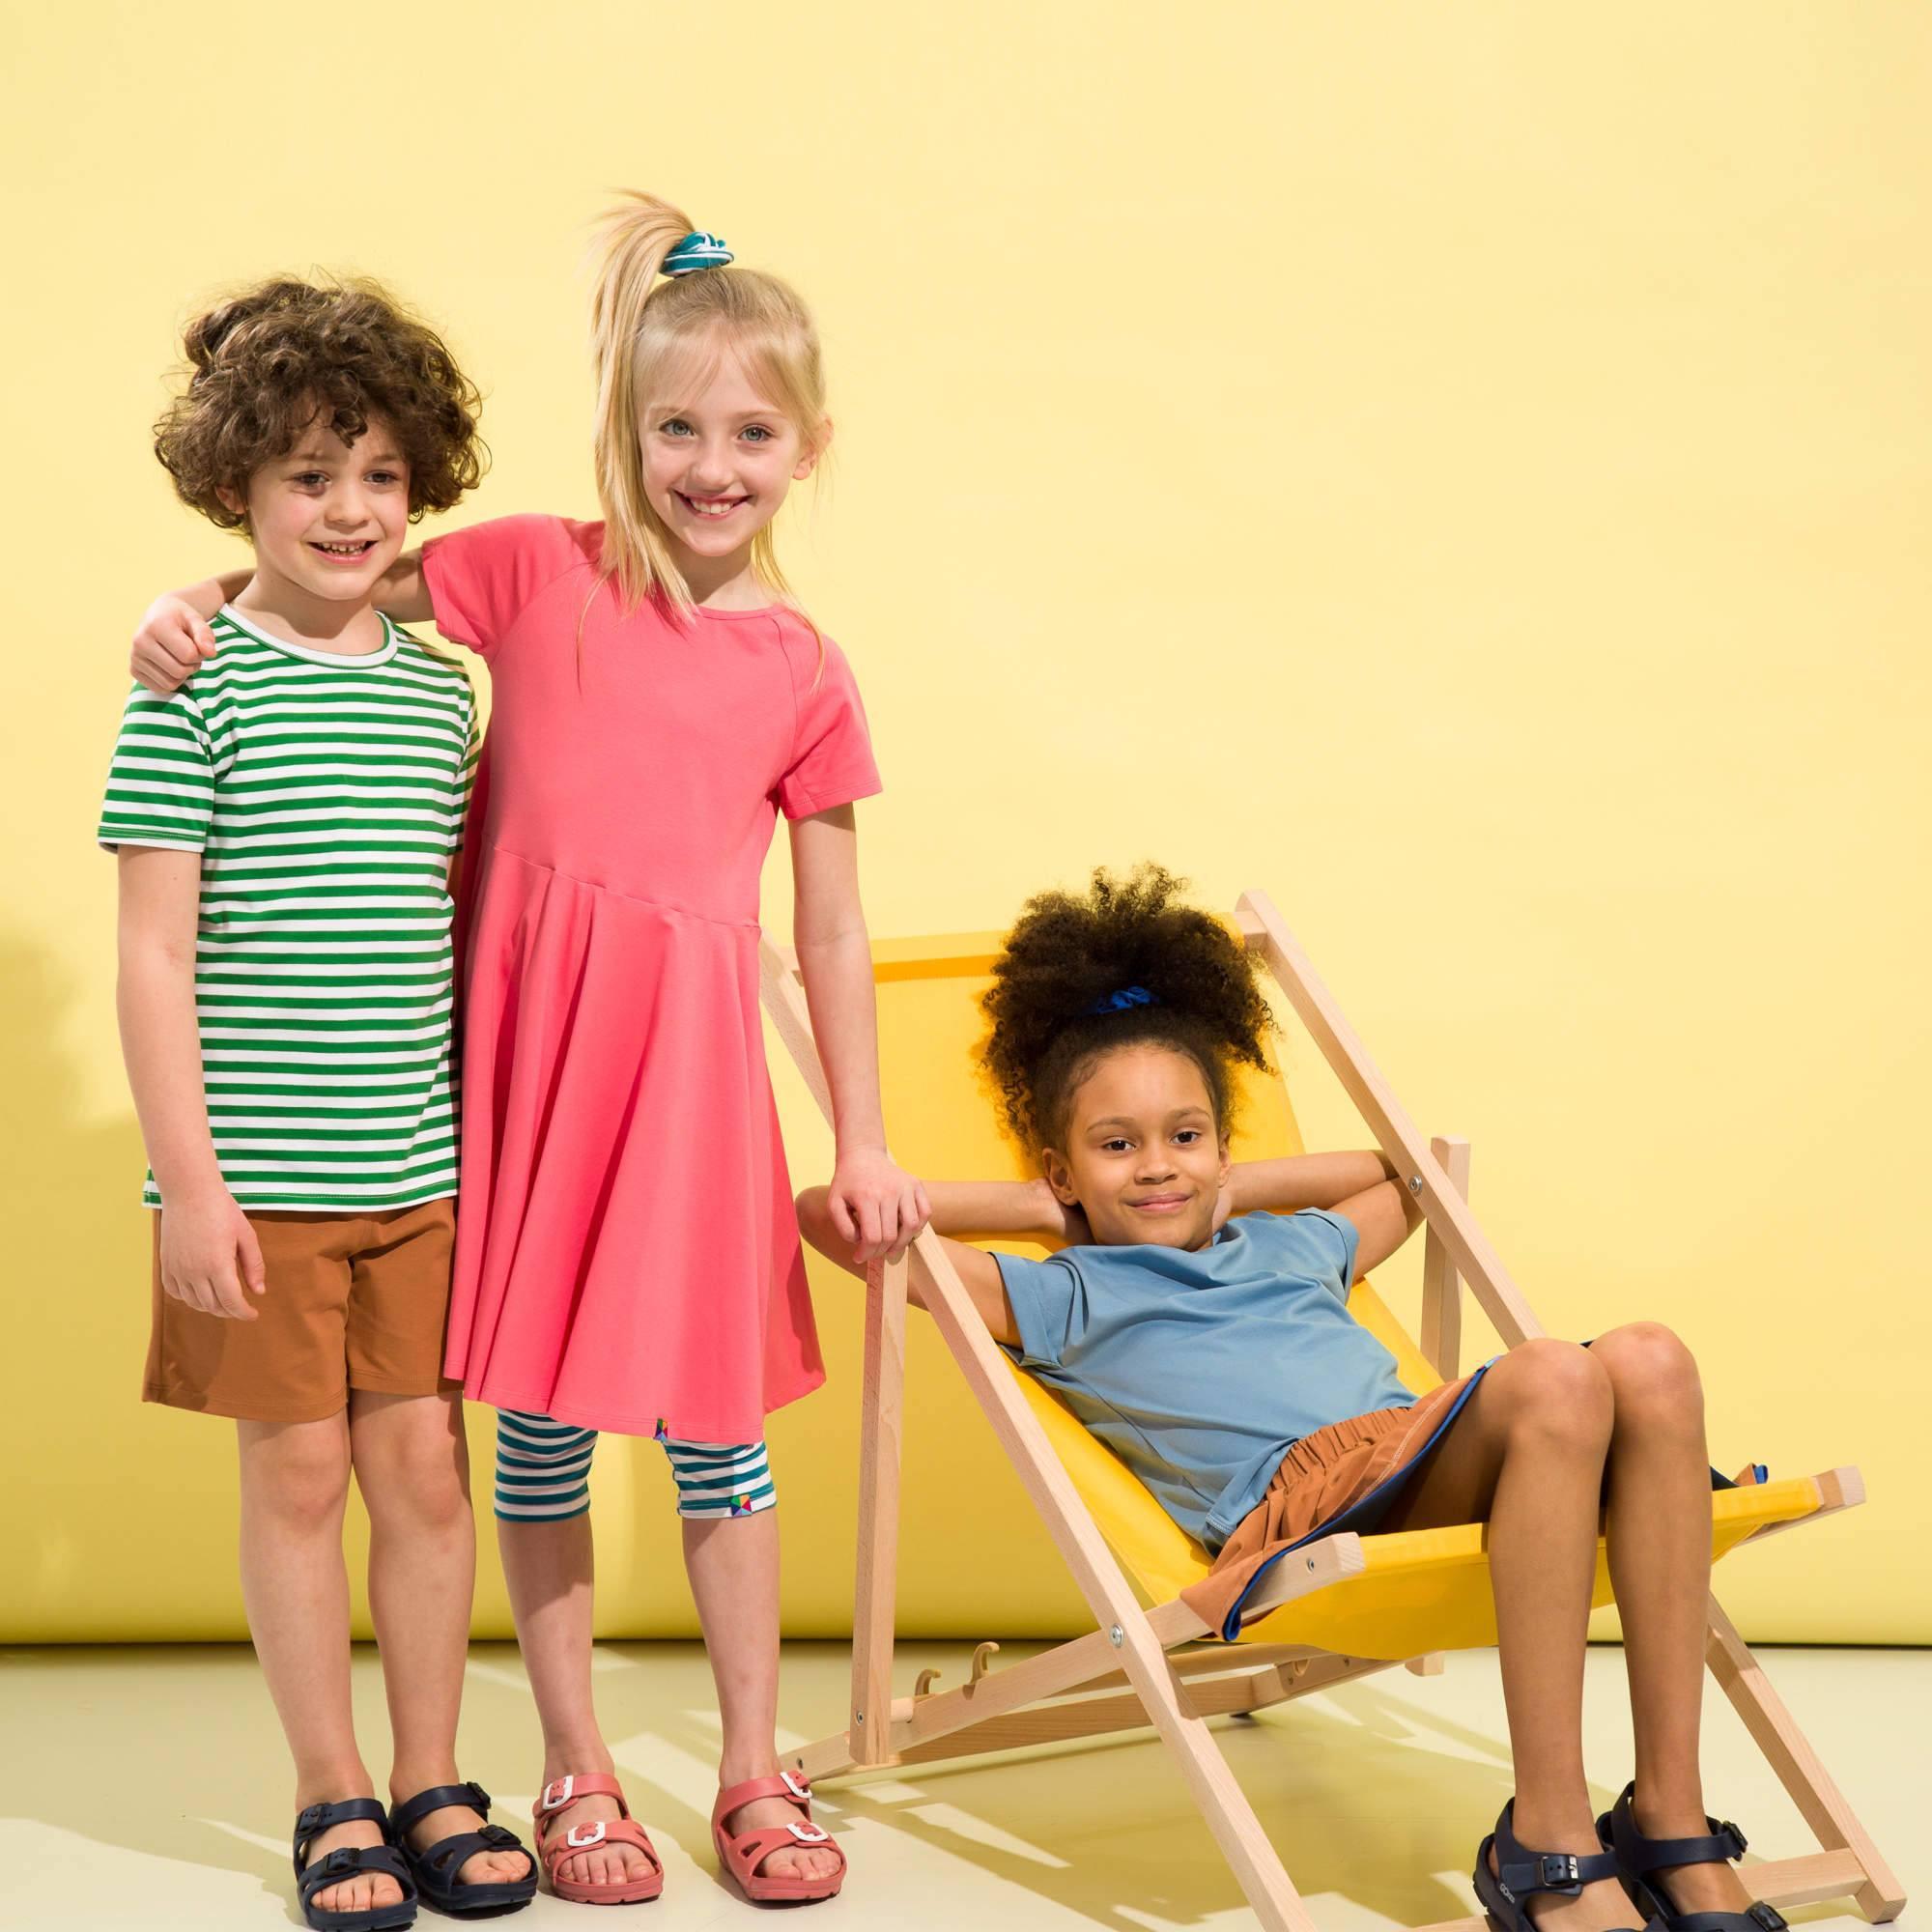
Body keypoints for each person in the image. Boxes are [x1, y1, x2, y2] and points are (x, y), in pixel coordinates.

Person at [127, 198, 927, 1907]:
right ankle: (568, 1771)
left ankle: (747, 1765)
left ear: (811, 447)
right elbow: (318, 574)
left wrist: (858, 1139)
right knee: (538, 1440)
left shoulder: (804, 667)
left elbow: (834, 926)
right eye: (677, 429)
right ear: (625, 434)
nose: (713, 466)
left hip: (697, 1101)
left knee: (723, 1441)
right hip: (520, 1096)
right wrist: (176, 601)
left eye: (753, 433)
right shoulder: (530, 569)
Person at [798, 864, 1782, 1932]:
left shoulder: (1287, 1242)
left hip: (1424, 1450)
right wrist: (1043, 1209)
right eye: (1114, 1145)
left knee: (1649, 1355)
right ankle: (1544, 1833)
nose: (1157, 1167)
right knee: (1554, 1369)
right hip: (1307, 1503)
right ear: (1060, 1167)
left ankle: (1665, 1814)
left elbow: (1407, 1175)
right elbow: (836, 1217)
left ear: (1223, 1147)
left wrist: (1230, 1186)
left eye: (1185, 1135)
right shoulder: (1063, 1288)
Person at [104, 277, 535, 1929]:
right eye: (305, 476)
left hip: (423, 1175)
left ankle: (431, 1775)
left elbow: (445, 924)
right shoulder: (190, 682)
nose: (347, 508)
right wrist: (187, 1186)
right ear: (236, 491)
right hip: (258, 1182)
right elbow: (153, 955)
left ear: (419, 484)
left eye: (377, 474)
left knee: (427, 1477)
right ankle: (329, 1792)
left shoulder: (444, 694)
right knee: (293, 1482)